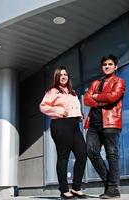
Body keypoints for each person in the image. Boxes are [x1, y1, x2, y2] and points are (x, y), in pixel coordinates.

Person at [40, 66, 87, 199]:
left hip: (74, 125)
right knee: (63, 157)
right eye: (60, 75)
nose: (63, 76)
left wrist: (79, 114)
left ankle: (76, 188)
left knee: (82, 153)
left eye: (65, 74)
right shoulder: (52, 91)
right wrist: (58, 111)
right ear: (57, 77)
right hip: (60, 125)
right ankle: (64, 190)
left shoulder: (73, 93)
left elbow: (73, 107)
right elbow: (43, 106)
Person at [84, 55, 125, 199]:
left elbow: (113, 97)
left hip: (111, 122)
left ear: (115, 67)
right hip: (94, 124)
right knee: (91, 151)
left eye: (110, 64)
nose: (107, 66)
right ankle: (109, 183)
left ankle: (113, 189)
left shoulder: (119, 81)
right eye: (104, 64)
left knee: (111, 154)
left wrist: (96, 97)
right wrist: (98, 99)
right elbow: (86, 99)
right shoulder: (95, 83)